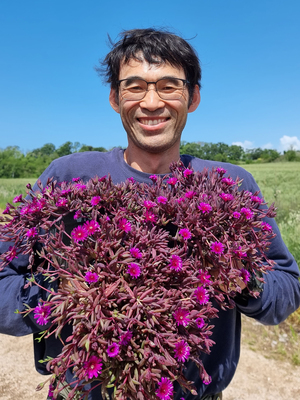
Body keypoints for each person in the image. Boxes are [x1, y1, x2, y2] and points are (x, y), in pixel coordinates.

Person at [0, 28, 299, 400]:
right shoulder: (67, 177)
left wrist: (236, 275)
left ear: (193, 97)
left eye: (169, 86)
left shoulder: (233, 186)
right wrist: (62, 294)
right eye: (135, 86)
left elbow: (287, 287)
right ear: (114, 97)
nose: (152, 102)